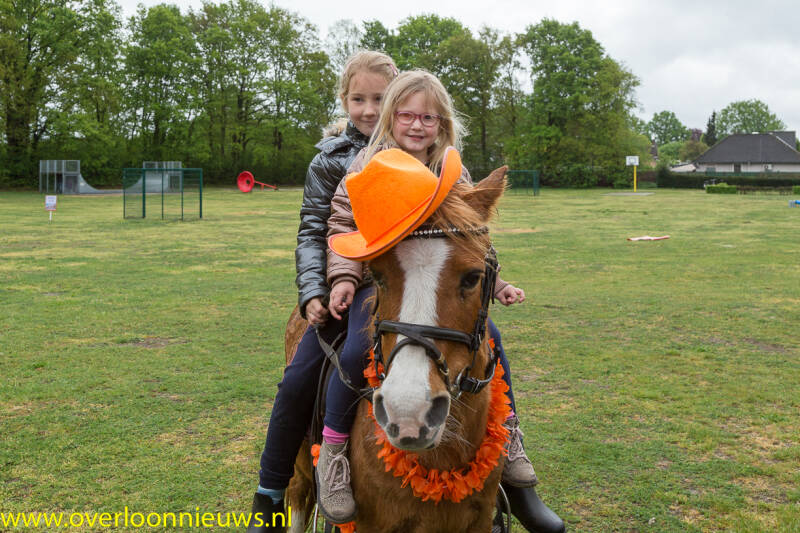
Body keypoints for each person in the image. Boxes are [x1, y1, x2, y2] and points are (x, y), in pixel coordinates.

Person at [318, 70, 565, 533]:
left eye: (427, 117)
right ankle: (333, 452)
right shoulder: (366, 169)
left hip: (440, 287)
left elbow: (470, 250)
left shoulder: (455, 173)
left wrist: (495, 284)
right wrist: (345, 278)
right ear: (391, 118)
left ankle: (509, 440)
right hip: (385, 283)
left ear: (442, 123)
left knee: (491, 342)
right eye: (407, 115)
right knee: (352, 352)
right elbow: (342, 226)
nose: (416, 125)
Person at [246, 51, 398, 533]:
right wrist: (313, 289)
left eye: (380, 98)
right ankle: (270, 492)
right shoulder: (330, 159)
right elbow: (314, 229)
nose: (369, 109)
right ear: (344, 99)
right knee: (296, 382)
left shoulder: (418, 145)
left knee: (485, 351)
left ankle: (505, 485)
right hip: (341, 285)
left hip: (406, 286)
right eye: (359, 98)